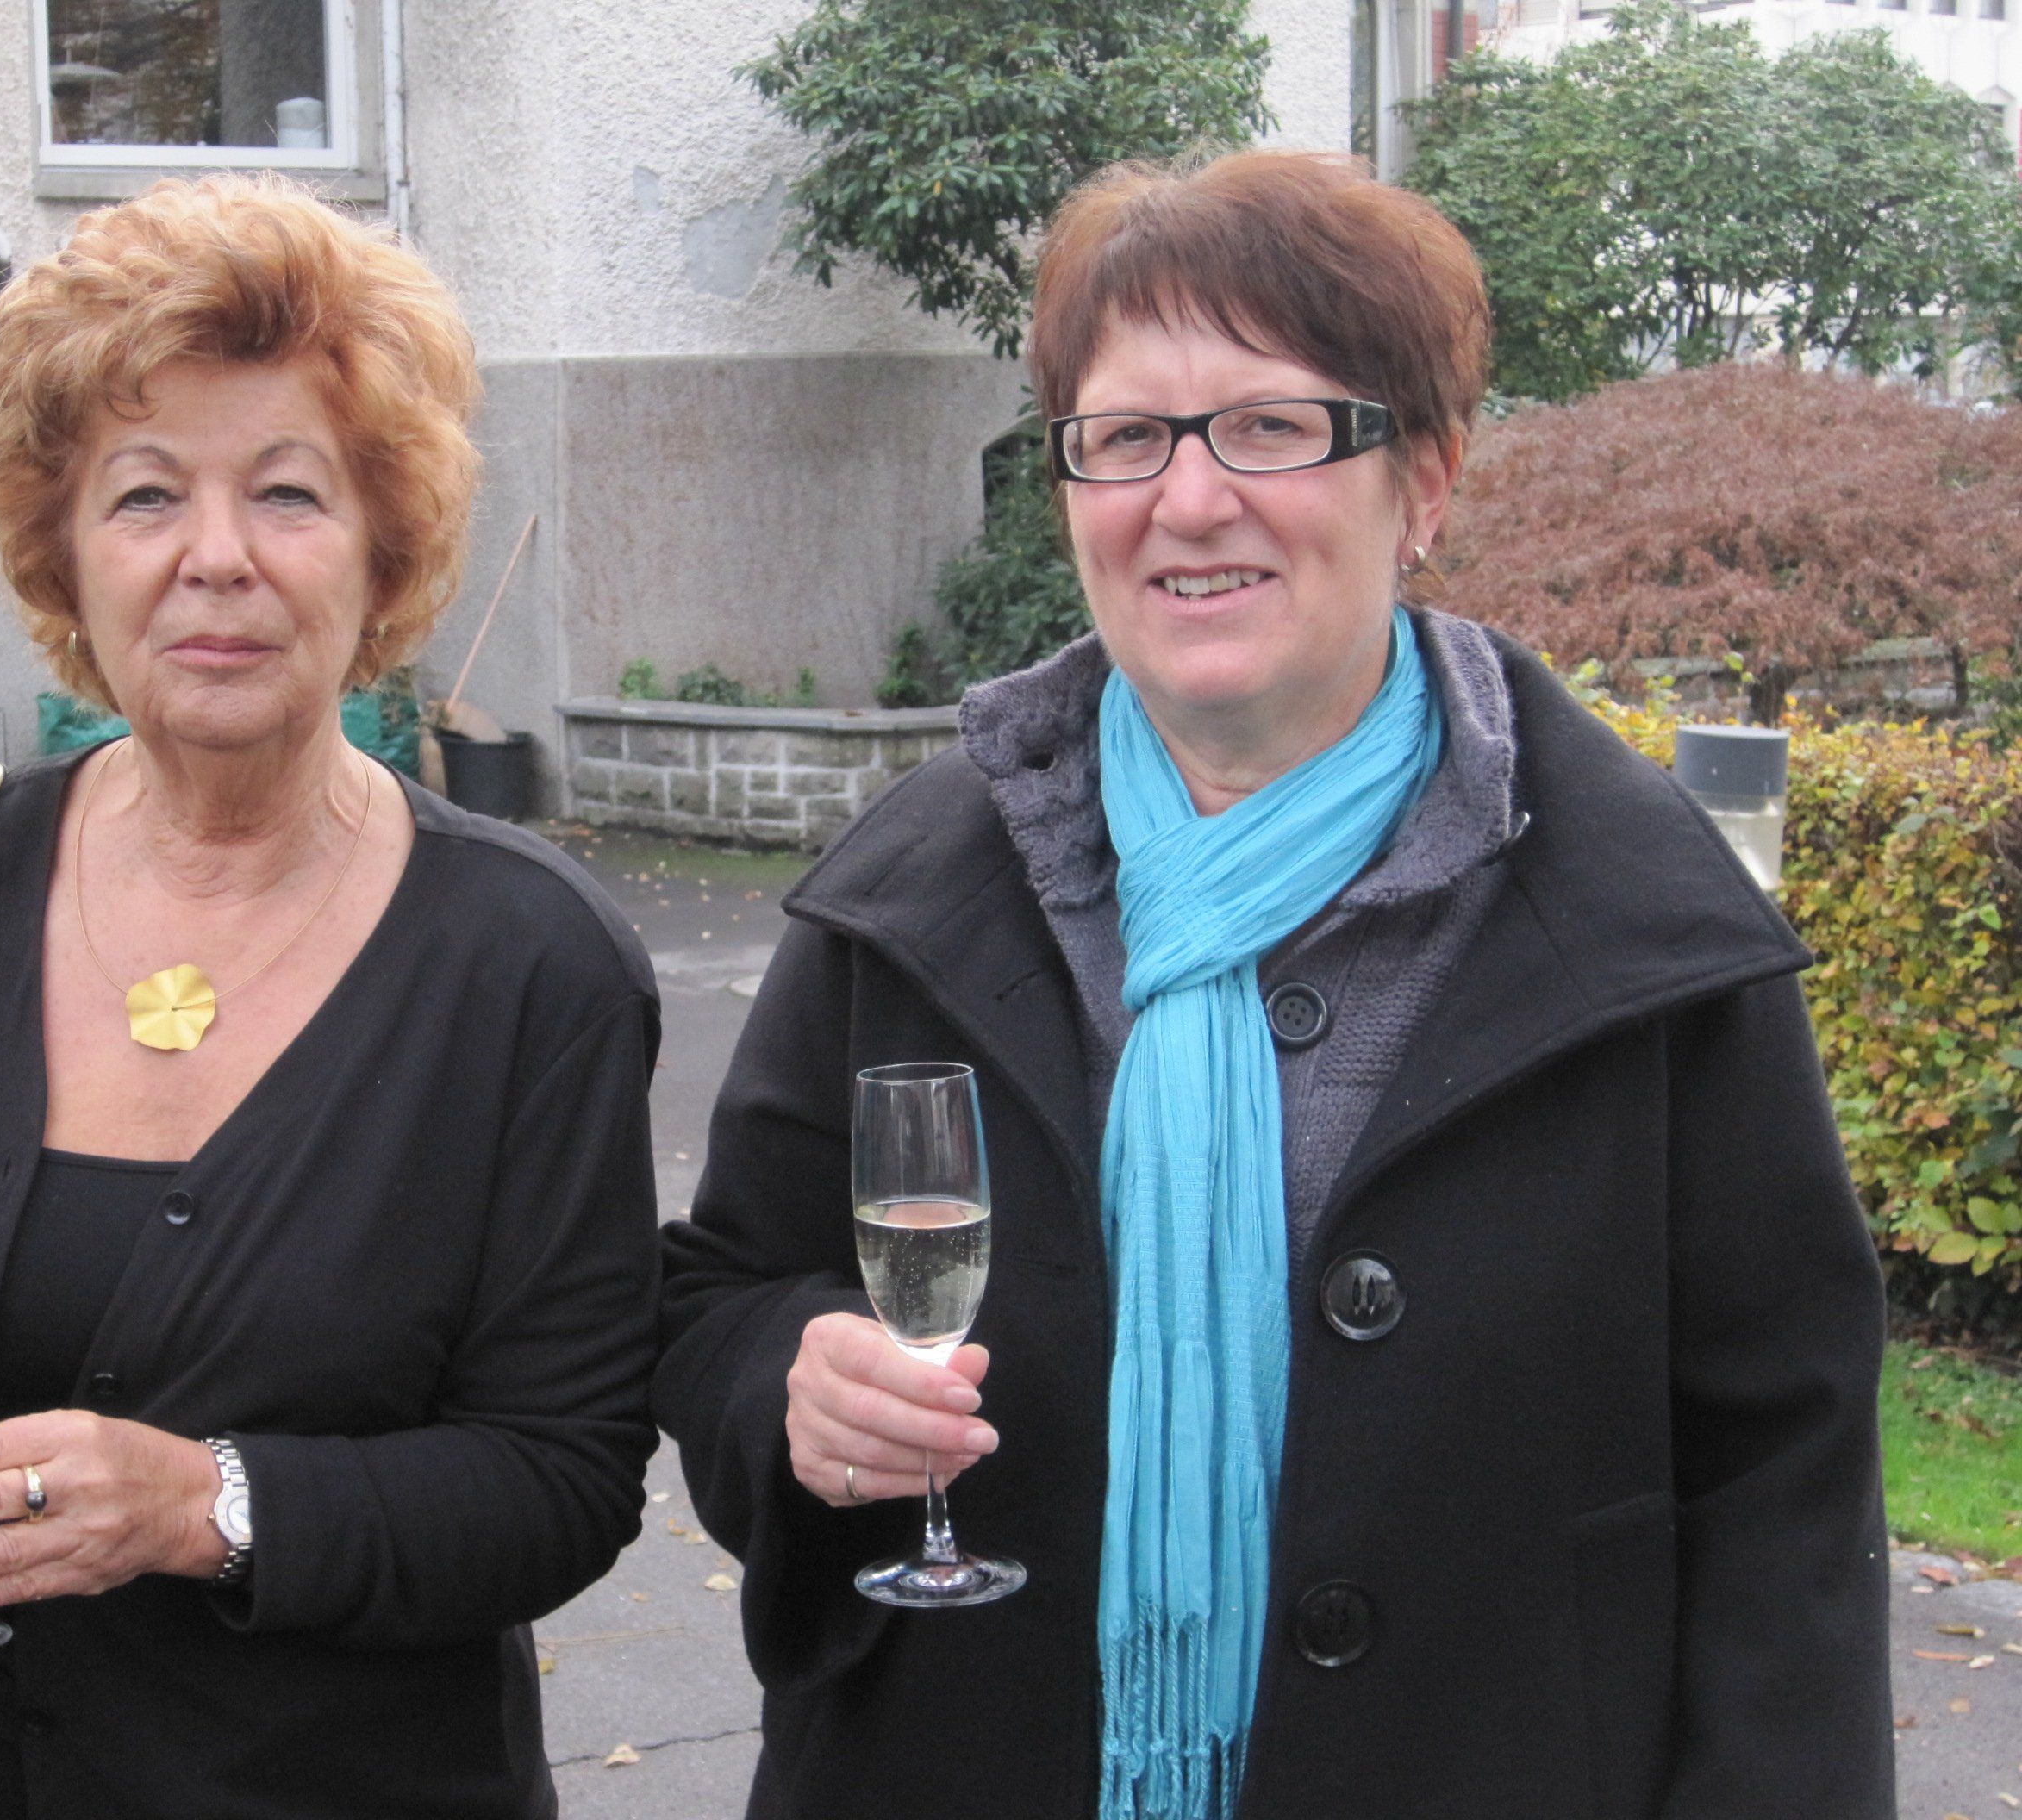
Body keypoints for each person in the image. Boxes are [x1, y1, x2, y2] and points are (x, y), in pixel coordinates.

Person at [655, 149, 1892, 1819]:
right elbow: (725, 1294)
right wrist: (790, 1387)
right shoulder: (909, 895)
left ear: (1424, 481)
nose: (1188, 500)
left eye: (1269, 426)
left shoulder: (1639, 926)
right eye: (1125, 439)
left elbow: (1782, 1474)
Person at [0, 175, 661, 1820]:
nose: (216, 559)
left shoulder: (533, 964)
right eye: (146, 496)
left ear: (384, 545)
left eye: (288, 492)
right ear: (64, 552)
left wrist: (205, 1507)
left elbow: (560, 1475)